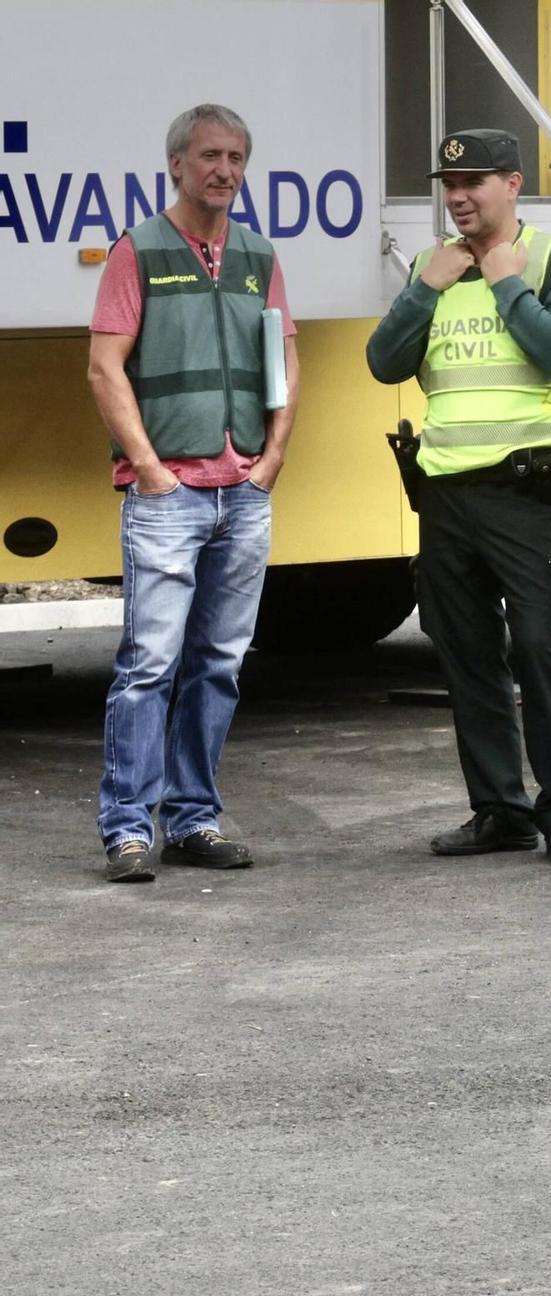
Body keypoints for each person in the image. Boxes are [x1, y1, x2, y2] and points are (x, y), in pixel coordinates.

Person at [365, 129, 551, 867]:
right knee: (466, 655)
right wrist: (426, 288)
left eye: (476, 184)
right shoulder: (433, 269)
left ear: (513, 184)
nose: (459, 197)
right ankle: (499, 808)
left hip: (528, 493)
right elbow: (383, 361)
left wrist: (506, 283)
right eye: (450, 186)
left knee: (541, 648)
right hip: (447, 496)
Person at [88, 104, 300, 884]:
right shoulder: (137, 251)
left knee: (217, 662)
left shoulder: (256, 254)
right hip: (168, 495)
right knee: (150, 662)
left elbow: (283, 360)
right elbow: (104, 369)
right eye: (211, 155)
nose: (226, 170)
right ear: (176, 164)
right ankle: (126, 826)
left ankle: (193, 818)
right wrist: (149, 468)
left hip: (242, 490)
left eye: (238, 157)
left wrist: (272, 456)